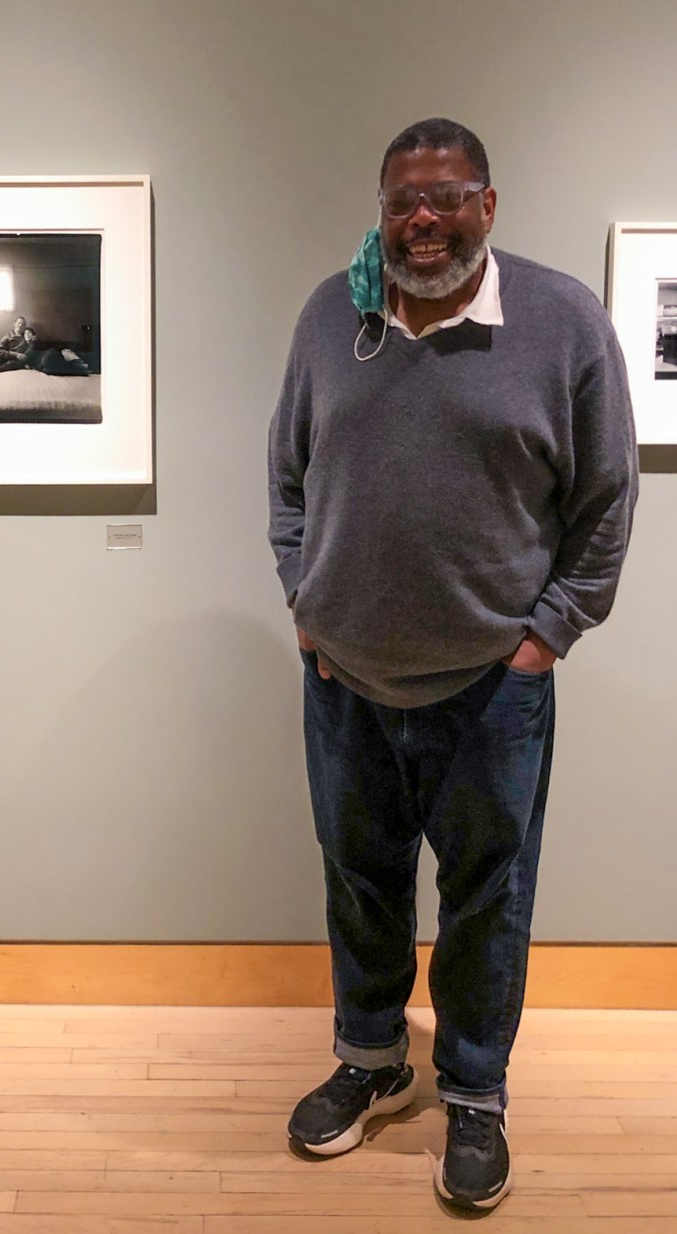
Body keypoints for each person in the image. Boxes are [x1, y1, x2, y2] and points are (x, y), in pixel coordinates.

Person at [267, 119, 637, 1211]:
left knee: (486, 898)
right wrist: (303, 603)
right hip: (343, 680)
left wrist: (545, 636)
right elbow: (285, 477)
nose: (421, 220)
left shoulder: (561, 321)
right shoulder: (329, 317)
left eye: (444, 196)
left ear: (487, 202)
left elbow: (605, 498)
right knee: (358, 879)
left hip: (491, 686)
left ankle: (474, 1092)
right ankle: (371, 1057)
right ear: (380, 211)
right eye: (400, 202)